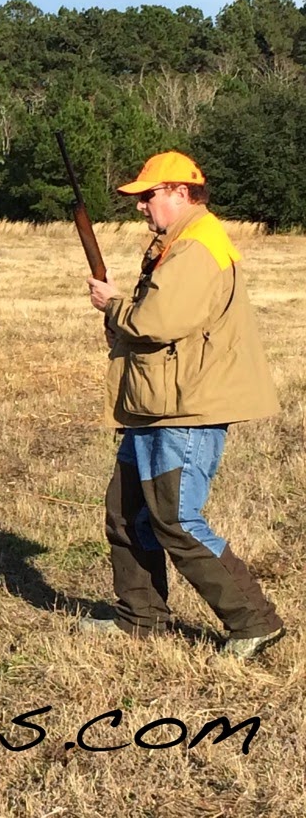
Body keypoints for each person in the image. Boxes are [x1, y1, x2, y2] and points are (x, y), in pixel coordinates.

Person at [84, 150, 284, 660]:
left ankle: (253, 622)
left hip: (186, 406)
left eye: (148, 195)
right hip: (159, 399)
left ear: (180, 192)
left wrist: (114, 305)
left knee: (175, 518)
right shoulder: (179, 242)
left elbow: (159, 320)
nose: (140, 207)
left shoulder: (197, 245)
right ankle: (141, 617)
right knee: (127, 511)